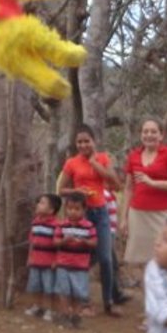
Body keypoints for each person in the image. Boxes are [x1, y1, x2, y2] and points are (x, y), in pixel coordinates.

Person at [56, 125, 127, 315]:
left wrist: (95, 163)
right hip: (81, 215)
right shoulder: (71, 163)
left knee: (105, 257)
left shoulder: (103, 158)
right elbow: (61, 190)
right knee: (82, 256)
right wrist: (76, 191)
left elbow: (115, 183)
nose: (83, 145)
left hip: (101, 213)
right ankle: (81, 300)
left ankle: (109, 302)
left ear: (94, 141)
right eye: (79, 141)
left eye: (87, 141)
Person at [119, 118, 167, 288]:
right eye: (145, 131)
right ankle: (150, 306)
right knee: (143, 262)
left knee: (163, 258)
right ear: (141, 135)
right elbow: (128, 188)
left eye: (153, 131)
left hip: (161, 214)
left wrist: (154, 183)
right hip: (137, 213)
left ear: (161, 135)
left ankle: (166, 303)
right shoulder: (133, 156)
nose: (149, 135)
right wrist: (123, 218)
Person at [52, 191, 96, 327]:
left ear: (84, 209)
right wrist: (65, 240)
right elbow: (55, 242)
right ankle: (65, 314)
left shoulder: (89, 226)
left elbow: (94, 243)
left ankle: (76, 316)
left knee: (78, 292)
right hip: (63, 264)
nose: (73, 212)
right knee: (64, 291)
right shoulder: (61, 225)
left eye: (77, 209)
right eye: (70, 208)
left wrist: (85, 241)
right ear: (65, 209)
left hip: (80, 266)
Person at [23, 193, 61, 320]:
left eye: (42, 203)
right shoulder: (35, 223)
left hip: (48, 264)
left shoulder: (56, 225)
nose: (38, 205)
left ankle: (50, 309)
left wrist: (56, 260)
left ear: (51, 210)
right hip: (35, 262)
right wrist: (29, 257)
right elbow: (32, 243)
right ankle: (37, 306)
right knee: (35, 286)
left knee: (48, 288)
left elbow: (59, 247)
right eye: (39, 202)